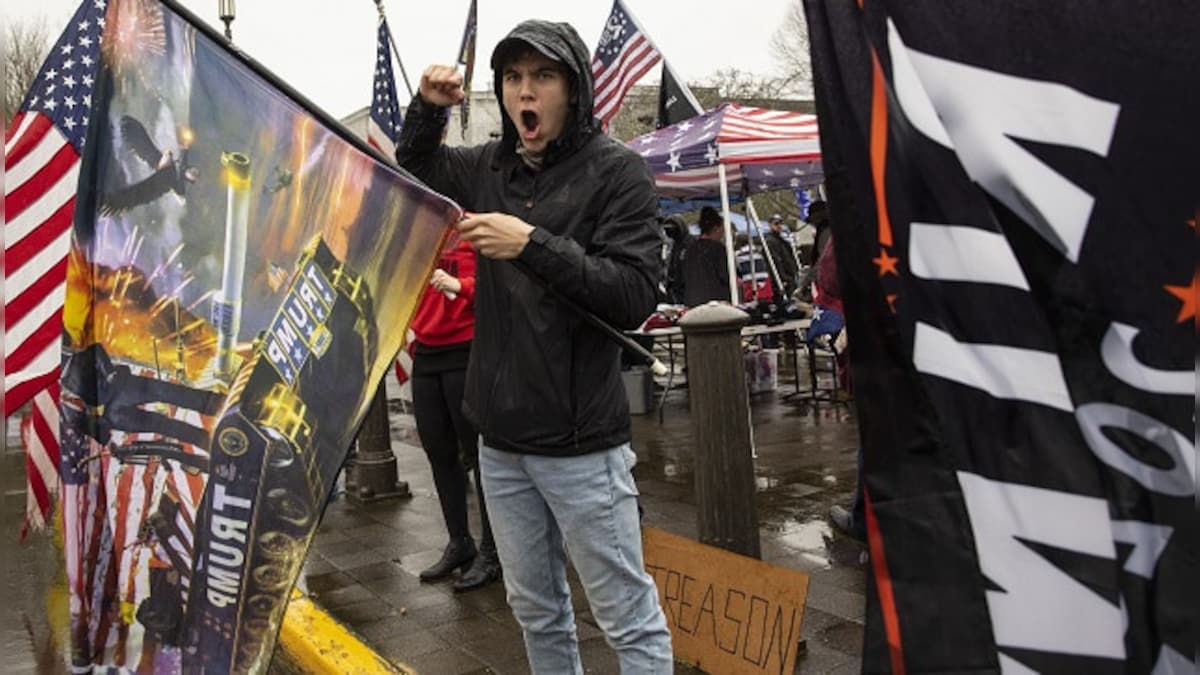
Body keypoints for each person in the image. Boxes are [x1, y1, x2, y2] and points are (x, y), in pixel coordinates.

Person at [396, 19, 673, 674]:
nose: (526, 91)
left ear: (572, 90)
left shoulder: (618, 172)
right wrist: (429, 110)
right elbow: (418, 163)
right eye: (514, 77)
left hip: (582, 446)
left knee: (626, 616)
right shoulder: (491, 165)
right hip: (500, 444)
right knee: (535, 607)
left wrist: (531, 244)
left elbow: (635, 293)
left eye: (543, 76)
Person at [410, 238, 501, 592]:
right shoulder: (420, 230)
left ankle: (491, 552)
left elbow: (499, 289)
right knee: (438, 452)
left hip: (465, 349)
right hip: (426, 351)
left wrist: (459, 286)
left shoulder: (474, 227)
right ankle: (459, 542)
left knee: (479, 456)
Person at [681, 206, 731, 306]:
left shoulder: (689, 249)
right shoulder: (719, 249)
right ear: (716, 228)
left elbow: (683, 277)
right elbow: (725, 276)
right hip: (716, 303)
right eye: (722, 230)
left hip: (692, 302)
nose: (723, 234)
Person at [764, 213, 799, 301]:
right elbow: (774, 262)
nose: (779, 226)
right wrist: (781, 279)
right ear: (770, 225)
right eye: (776, 224)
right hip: (782, 280)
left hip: (790, 277)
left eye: (780, 223)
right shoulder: (770, 241)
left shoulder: (782, 240)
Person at [662, 214, 692, 305]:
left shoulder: (690, 243)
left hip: (688, 288)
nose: (670, 231)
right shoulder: (675, 245)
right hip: (676, 289)